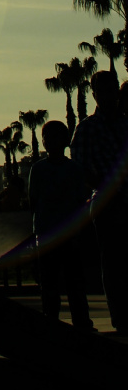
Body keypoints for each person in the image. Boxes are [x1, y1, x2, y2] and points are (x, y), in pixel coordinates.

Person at [71, 70, 128, 335]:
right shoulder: (87, 128)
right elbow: (81, 170)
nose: (108, 94)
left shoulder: (125, 123)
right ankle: (121, 316)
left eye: (112, 88)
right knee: (114, 260)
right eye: (102, 90)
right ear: (94, 94)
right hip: (108, 202)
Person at [27, 119, 93, 333]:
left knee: (73, 281)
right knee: (51, 283)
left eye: (56, 137)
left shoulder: (72, 169)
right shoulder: (39, 169)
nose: (52, 141)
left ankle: (80, 321)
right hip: (48, 233)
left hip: (66, 233)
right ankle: (54, 321)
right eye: (48, 137)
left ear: (65, 141)